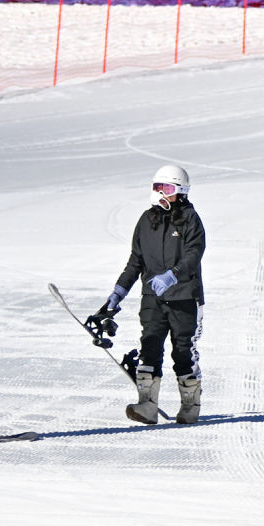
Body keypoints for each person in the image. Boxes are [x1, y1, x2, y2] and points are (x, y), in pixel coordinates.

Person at [86, 165, 205, 426]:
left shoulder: (190, 219)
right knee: (149, 347)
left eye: (167, 188)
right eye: (157, 187)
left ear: (181, 192)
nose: (161, 193)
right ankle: (147, 406)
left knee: (182, 352)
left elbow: (193, 254)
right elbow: (135, 261)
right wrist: (118, 293)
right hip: (152, 297)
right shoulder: (146, 220)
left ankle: (190, 406)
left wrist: (172, 275)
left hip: (185, 297)